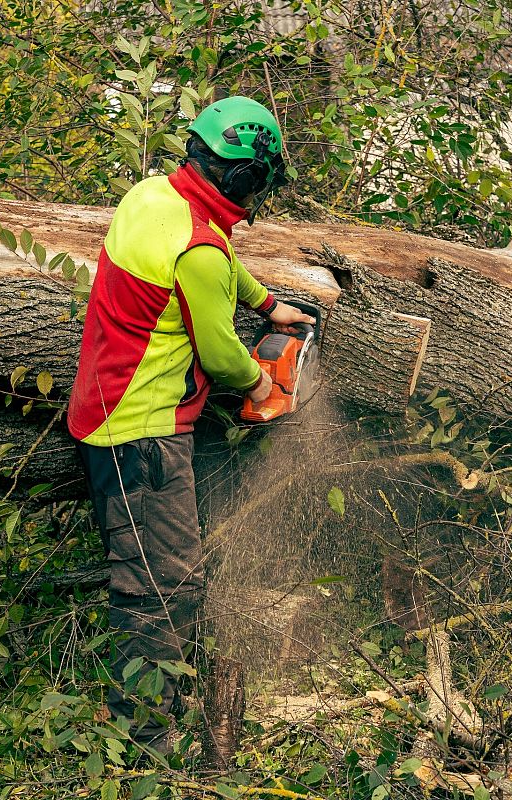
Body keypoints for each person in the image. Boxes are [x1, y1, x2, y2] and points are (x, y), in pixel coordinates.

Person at [66, 96, 314, 753]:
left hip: (110, 400)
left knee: (162, 577)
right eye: (257, 180)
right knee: (160, 585)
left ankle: (149, 721)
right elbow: (219, 352)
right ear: (241, 177)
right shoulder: (201, 246)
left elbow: (211, 255)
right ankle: (145, 739)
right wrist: (264, 383)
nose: (257, 193)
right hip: (141, 429)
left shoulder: (154, 197)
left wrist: (266, 303)